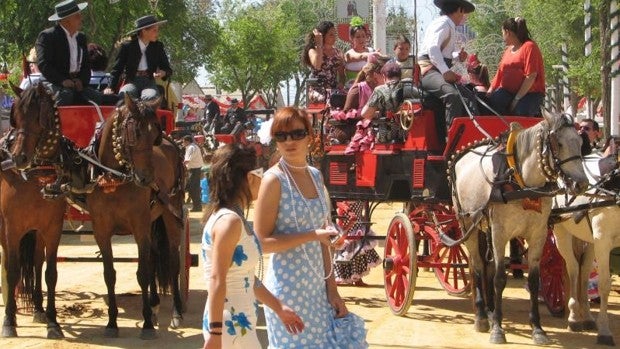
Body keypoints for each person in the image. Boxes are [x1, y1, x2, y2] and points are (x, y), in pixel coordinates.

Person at [254, 107, 367, 348]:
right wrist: (312, 235)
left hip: (318, 291)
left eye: (296, 133)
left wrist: (333, 290)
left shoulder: (316, 176)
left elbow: (324, 235)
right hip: (286, 293)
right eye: (281, 136)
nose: (289, 141)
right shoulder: (273, 180)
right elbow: (261, 242)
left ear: (310, 135)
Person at [202, 143, 304, 349]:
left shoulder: (232, 218)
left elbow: (246, 276)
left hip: (238, 320)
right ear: (248, 178)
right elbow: (216, 279)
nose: (262, 178)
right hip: (229, 323)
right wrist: (215, 333)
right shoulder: (229, 222)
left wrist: (279, 307)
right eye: (259, 173)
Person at [36, 0, 110, 106]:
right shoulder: (48, 36)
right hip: (53, 83)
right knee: (65, 96)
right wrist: (62, 81)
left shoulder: (81, 38)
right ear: (66, 20)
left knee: (98, 98)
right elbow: (44, 64)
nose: (81, 18)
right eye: (77, 16)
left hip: (75, 84)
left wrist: (81, 80)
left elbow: (85, 65)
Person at [417, 0, 475, 128]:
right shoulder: (443, 23)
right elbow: (432, 49)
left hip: (437, 71)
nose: (465, 16)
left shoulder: (449, 25)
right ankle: (451, 140)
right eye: (464, 12)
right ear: (460, 10)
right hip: (429, 72)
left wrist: (458, 55)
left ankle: (471, 136)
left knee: (470, 96)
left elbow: (445, 53)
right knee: (452, 95)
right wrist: (445, 71)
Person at [487, 17, 545, 116]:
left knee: (519, 112)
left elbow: (531, 76)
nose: (502, 37)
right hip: (507, 92)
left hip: (529, 94)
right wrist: (491, 89)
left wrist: (516, 99)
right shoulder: (508, 50)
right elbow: (500, 72)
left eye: (502, 33)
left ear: (507, 32)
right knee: (491, 104)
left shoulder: (529, 46)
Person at [106, 15, 173, 101]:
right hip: (131, 81)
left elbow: (168, 69)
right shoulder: (128, 46)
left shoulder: (158, 47)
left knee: (151, 97)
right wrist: (110, 87)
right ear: (144, 31)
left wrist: (162, 73)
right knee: (125, 95)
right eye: (154, 30)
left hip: (149, 83)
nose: (157, 33)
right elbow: (117, 69)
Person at [302, 21, 346, 104]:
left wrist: (341, 84)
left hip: (333, 90)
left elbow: (342, 75)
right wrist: (319, 44)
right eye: (331, 35)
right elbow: (317, 65)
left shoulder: (338, 52)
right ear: (323, 36)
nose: (334, 37)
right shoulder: (313, 50)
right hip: (318, 89)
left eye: (335, 34)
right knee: (328, 100)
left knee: (345, 99)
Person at [344, 17, 380, 83]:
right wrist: (371, 55)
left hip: (369, 87)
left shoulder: (371, 50)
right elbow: (359, 56)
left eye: (363, 36)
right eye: (358, 37)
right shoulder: (348, 54)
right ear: (352, 38)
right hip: (352, 86)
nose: (361, 39)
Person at [182, 135, 204, 212]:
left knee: (193, 188)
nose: (182, 143)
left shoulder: (191, 147)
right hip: (194, 169)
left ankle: (197, 206)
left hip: (194, 170)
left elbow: (187, 160)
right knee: (193, 188)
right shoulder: (193, 147)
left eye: (183, 142)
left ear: (187, 141)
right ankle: (197, 206)